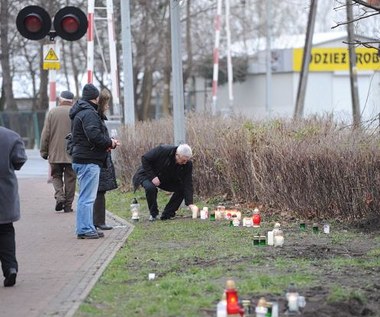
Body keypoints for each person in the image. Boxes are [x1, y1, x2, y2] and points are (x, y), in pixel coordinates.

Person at [69, 83, 120, 239]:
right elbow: (94, 136)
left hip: (83, 158)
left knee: (86, 197)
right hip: (88, 160)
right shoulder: (89, 113)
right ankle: (85, 229)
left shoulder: (80, 111)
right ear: (96, 98)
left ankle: (87, 227)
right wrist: (110, 143)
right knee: (87, 198)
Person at [133, 144, 198, 221]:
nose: (185, 163)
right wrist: (153, 177)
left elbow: (188, 182)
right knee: (150, 188)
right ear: (177, 155)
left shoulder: (187, 164)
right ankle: (154, 214)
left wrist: (190, 203)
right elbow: (145, 158)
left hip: (164, 178)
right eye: (183, 160)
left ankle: (168, 214)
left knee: (182, 188)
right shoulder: (163, 150)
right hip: (147, 174)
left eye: (187, 160)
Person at [40, 90, 76, 213]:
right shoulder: (75, 112)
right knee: (70, 179)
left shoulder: (52, 112)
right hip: (72, 153)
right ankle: (68, 206)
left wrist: (44, 151)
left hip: (54, 152)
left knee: (56, 175)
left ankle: (60, 197)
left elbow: (46, 134)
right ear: (72, 101)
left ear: (60, 100)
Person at [0, 127, 28, 287]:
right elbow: (19, 160)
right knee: (6, 231)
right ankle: (10, 267)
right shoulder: (11, 136)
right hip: (4, 192)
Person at [93, 89, 118, 230]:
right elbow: (98, 139)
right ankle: (98, 222)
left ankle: (98, 221)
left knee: (99, 191)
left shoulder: (98, 118)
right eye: (106, 103)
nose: (108, 106)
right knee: (98, 191)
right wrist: (109, 143)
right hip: (99, 160)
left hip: (101, 159)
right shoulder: (96, 118)